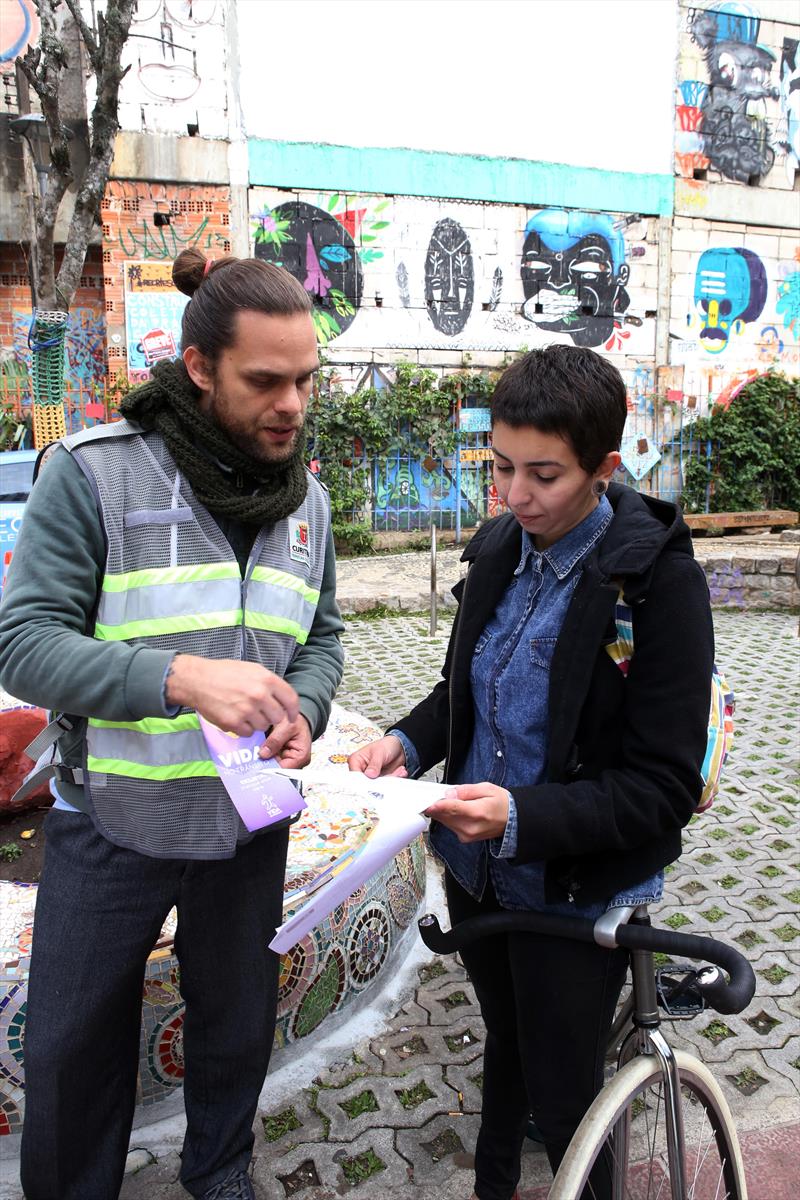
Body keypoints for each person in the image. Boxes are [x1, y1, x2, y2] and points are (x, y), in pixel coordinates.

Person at [0, 250, 344, 1200]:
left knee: (234, 1026)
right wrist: (179, 678)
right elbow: (22, 645)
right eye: (264, 381)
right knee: (71, 1042)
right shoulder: (93, 475)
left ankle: (220, 1176)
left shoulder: (306, 500)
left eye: (305, 381)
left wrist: (305, 709)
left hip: (245, 827)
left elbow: (321, 636)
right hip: (111, 821)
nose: (290, 405)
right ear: (199, 369)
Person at [349, 344, 714, 1200]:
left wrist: (518, 817)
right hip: (475, 876)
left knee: (566, 1099)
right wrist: (405, 743)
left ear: (605, 468)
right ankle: (493, 1180)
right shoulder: (500, 548)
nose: (516, 496)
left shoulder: (657, 584)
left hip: (571, 893)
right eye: (502, 467)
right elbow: (464, 692)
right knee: (508, 1042)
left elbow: (662, 788)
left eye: (544, 475)